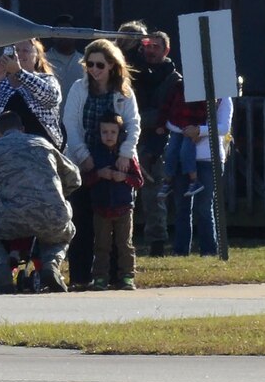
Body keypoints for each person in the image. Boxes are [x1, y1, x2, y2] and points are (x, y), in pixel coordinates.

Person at [0, 111, 80, 290]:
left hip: (11, 216)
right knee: (66, 230)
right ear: (22, 129)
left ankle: (1, 269)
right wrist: (57, 195)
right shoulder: (44, 144)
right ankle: (51, 265)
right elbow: (75, 179)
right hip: (53, 215)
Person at [62, 39, 139, 287]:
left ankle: (120, 276)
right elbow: (70, 124)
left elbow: (133, 124)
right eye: (90, 64)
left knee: (118, 223)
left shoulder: (123, 92)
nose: (94, 70)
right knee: (83, 221)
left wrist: (125, 153)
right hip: (86, 160)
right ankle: (82, 277)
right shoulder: (78, 88)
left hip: (117, 160)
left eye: (100, 65)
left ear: (112, 66)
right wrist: (83, 156)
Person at [160, 83, 232, 256]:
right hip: (183, 159)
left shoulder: (223, 97)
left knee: (204, 207)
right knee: (182, 207)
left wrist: (199, 130)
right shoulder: (184, 91)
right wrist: (186, 130)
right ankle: (180, 250)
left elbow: (224, 127)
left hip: (209, 158)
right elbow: (173, 118)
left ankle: (208, 250)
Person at [128, 30, 180, 255]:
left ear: (166, 50)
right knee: (126, 192)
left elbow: (168, 114)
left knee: (154, 193)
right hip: (132, 137)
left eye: (156, 47)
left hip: (160, 141)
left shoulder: (174, 79)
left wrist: (143, 117)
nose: (150, 51)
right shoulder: (133, 74)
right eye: (147, 46)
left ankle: (157, 243)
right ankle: (124, 243)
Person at [0, 38, 64, 149]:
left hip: (37, 147)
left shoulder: (47, 79)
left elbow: (51, 99)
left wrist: (20, 73)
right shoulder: (1, 82)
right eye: (17, 50)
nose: (20, 54)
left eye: (25, 51)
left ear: (36, 56)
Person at [86, 113, 144, 289]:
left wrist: (124, 177)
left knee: (125, 244)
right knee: (101, 245)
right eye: (105, 132)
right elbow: (85, 180)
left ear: (120, 134)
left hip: (124, 208)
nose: (109, 136)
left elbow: (139, 181)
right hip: (101, 208)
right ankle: (100, 277)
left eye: (113, 132)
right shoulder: (94, 154)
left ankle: (127, 276)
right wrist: (98, 174)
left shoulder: (126, 156)